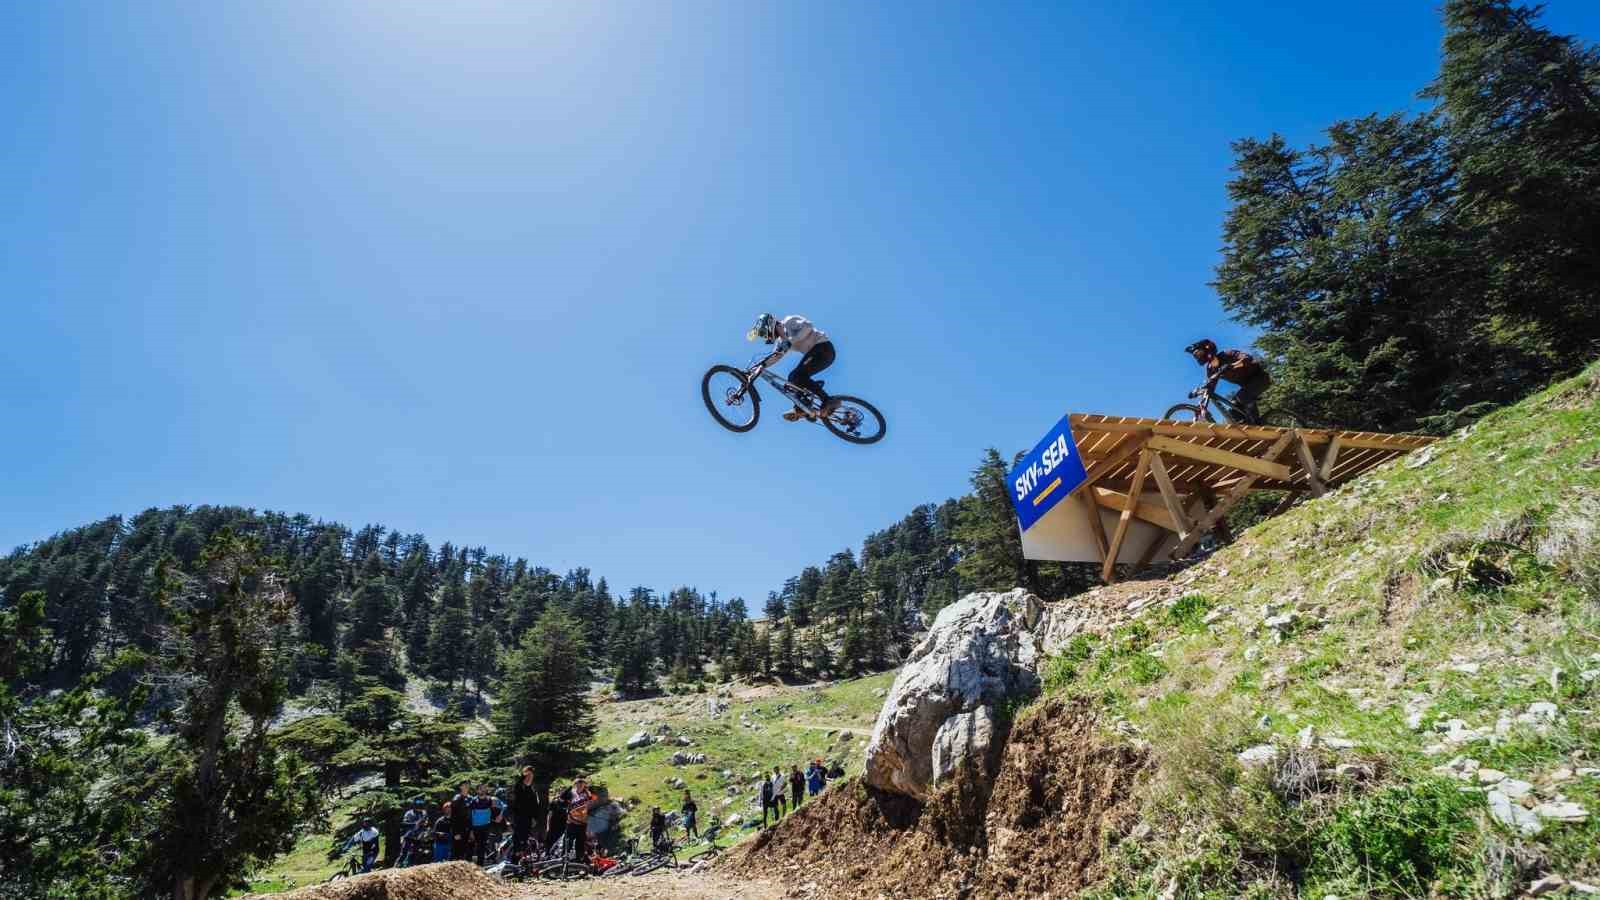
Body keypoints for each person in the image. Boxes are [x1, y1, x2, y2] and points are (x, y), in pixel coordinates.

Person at [747, 312, 839, 421]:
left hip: (823, 348)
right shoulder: (781, 341)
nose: (767, 337)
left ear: (769, 325)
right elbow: (776, 356)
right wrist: (760, 366)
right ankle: (802, 407)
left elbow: (808, 327)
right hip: (818, 356)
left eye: (765, 334)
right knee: (793, 379)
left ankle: (828, 400)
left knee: (796, 375)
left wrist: (790, 340)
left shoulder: (789, 321)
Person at [1184, 339, 1271, 424]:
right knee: (1233, 410)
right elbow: (1210, 385)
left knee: (1243, 396)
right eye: (1196, 356)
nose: (1198, 356)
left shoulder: (1227, 354)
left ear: (1207, 349)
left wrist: (1233, 366)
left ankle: (1257, 423)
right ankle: (1247, 427)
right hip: (1247, 386)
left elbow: (1248, 358)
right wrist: (1198, 391)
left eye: (1199, 353)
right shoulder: (1211, 369)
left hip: (1260, 379)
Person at [512, 766, 543, 860]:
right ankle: (515, 860)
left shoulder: (532, 790)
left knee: (525, 841)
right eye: (527, 776)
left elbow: (535, 806)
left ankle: (523, 861)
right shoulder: (518, 786)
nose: (529, 778)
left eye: (531, 776)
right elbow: (517, 787)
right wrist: (524, 774)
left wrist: (535, 818)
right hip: (519, 818)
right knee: (518, 840)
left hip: (529, 819)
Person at [565, 777, 594, 862]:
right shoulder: (570, 793)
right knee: (568, 843)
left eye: (582, 783)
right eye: (578, 782)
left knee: (580, 844)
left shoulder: (588, 794)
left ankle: (579, 861)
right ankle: (564, 860)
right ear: (575, 784)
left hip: (583, 823)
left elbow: (592, 807)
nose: (580, 784)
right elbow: (564, 804)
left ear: (584, 784)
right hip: (571, 822)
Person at [468, 784, 498, 864]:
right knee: (471, 846)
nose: (482, 790)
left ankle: (480, 865)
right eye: (480, 788)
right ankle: (469, 865)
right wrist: (470, 830)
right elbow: (469, 816)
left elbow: (497, 811)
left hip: (486, 827)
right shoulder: (473, 801)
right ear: (477, 790)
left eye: (484, 788)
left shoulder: (490, 800)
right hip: (475, 827)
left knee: (482, 847)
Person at [449, 781, 472, 861]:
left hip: (468, 828)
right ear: (460, 787)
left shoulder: (470, 798)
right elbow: (453, 816)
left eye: (468, 785)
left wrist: (471, 830)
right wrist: (456, 832)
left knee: (466, 852)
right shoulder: (457, 798)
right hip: (458, 828)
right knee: (456, 852)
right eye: (464, 785)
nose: (466, 787)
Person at [546, 784, 569, 854]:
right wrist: (548, 826)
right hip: (553, 824)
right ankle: (547, 853)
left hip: (564, 825)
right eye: (561, 791)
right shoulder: (554, 802)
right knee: (550, 839)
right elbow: (549, 814)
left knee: (561, 840)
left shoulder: (568, 802)